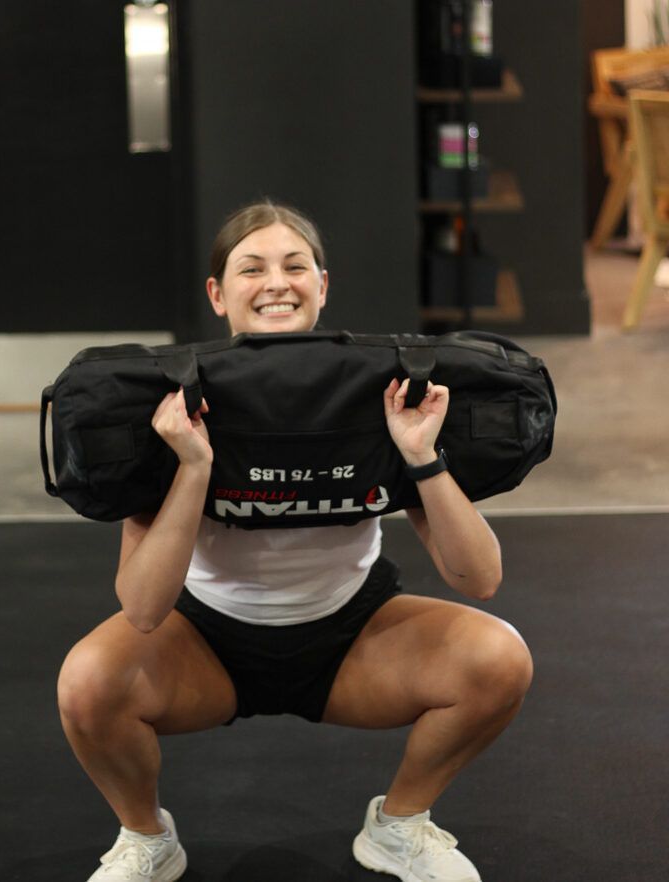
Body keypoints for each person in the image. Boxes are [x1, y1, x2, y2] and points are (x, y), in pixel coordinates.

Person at [57, 202, 533, 882]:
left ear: (323, 285)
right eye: (252, 269)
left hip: (350, 639)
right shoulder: (167, 410)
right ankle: (146, 837)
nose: (276, 282)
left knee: (500, 659)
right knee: (88, 682)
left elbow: (479, 577)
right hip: (204, 645)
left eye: (294, 266)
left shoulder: (380, 395)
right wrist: (193, 467)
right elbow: (140, 610)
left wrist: (422, 457)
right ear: (219, 294)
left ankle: (399, 827)